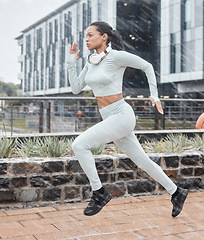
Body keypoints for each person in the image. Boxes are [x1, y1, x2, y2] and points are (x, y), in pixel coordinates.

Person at [67, 21, 188, 217]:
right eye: (85, 35)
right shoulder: (91, 61)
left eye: (90, 35)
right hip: (110, 117)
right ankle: (176, 192)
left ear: (104, 36)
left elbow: (147, 66)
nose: (86, 39)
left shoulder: (116, 57)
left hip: (121, 115)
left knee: (79, 145)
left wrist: (155, 96)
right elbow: (75, 88)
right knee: (144, 161)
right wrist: (71, 61)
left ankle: (99, 193)